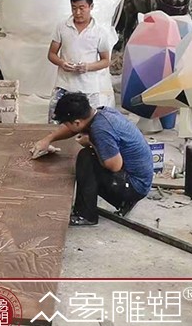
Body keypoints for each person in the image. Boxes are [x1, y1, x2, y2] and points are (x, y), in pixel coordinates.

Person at [34, 92, 153, 227]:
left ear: (77, 122)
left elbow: (115, 166)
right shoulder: (101, 114)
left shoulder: (101, 129)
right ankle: (122, 202)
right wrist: (47, 140)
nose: (66, 127)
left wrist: (91, 143)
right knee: (89, 153)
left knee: (86, 158)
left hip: (135, 186)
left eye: (66, 123)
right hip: (140, 179)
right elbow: (73, 129)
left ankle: (85, 214)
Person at [47, 0, 114, 123]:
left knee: (89, 125)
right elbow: (51, 54)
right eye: (74, 8)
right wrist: (62, 63)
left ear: (91, 7)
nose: (77, 12)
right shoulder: (62, 27)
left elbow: (106, 61)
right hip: (64, 85)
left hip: (89, 88)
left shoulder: (99, 32)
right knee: (56, 121)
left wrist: (87, 67)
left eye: (82, 8)